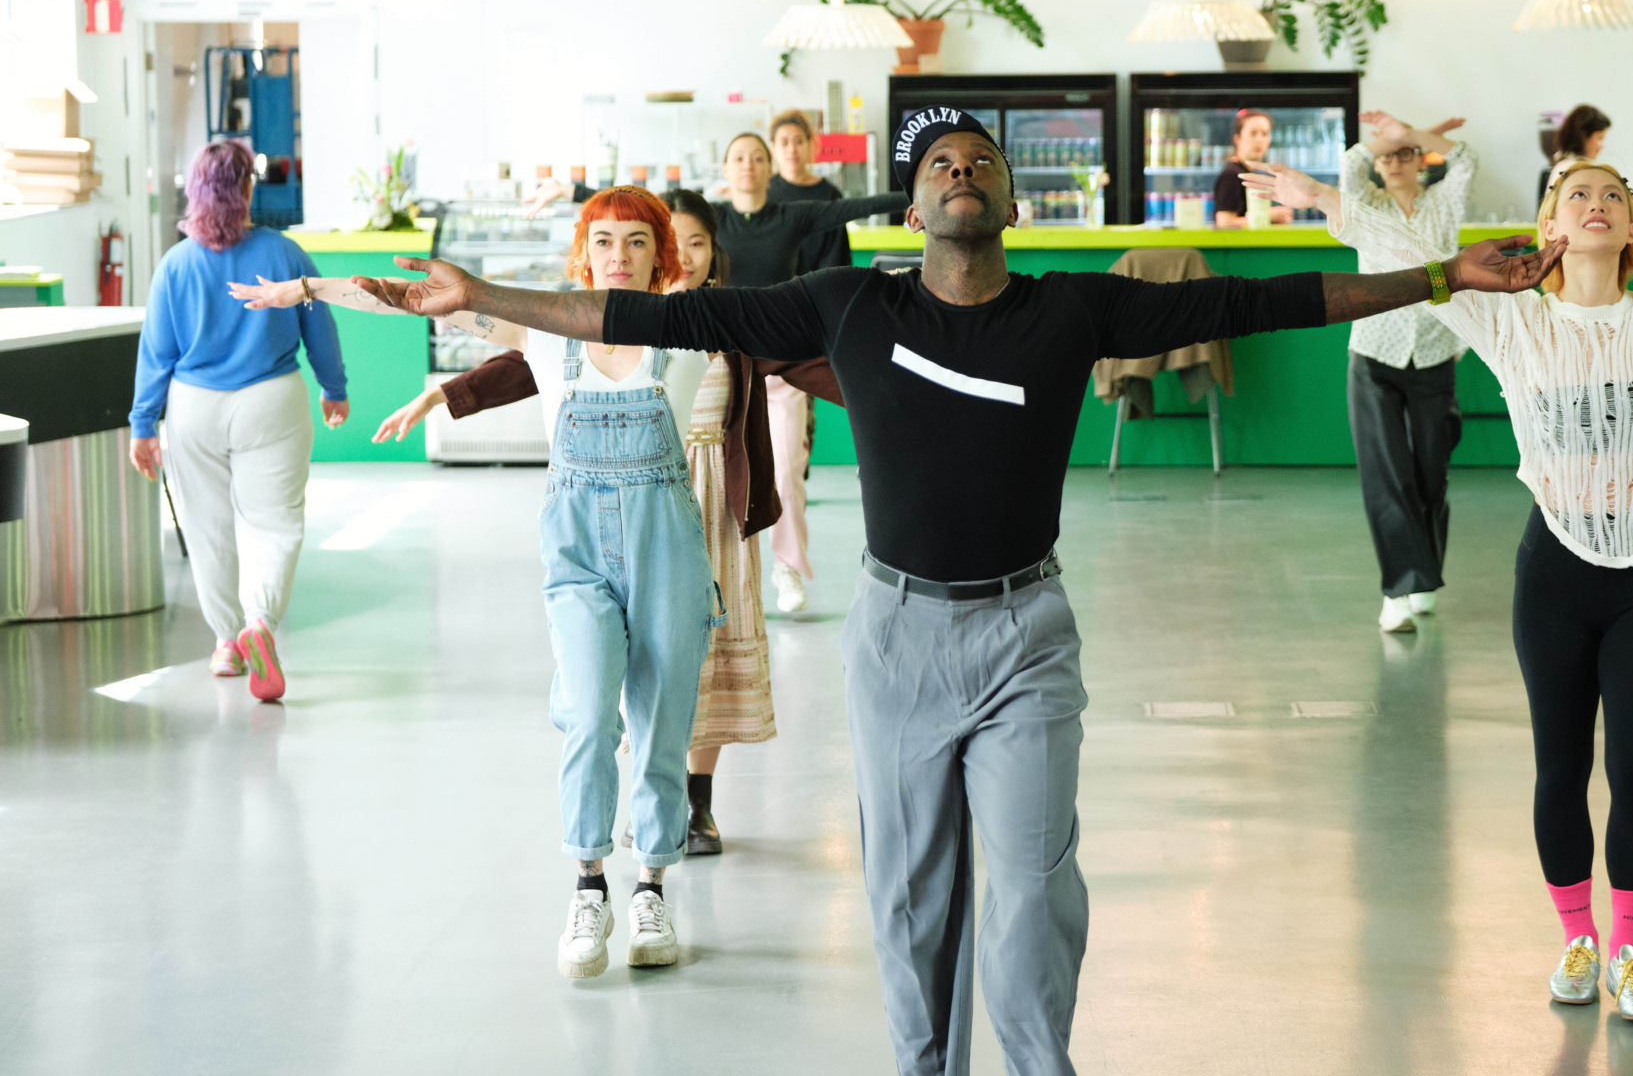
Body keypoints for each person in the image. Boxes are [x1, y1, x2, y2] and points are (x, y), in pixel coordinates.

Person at [349, 107, 1566, 1076]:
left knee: (1031, 891)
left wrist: (1442, 276)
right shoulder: (851, 302)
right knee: (911, 900)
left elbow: (1265, 299)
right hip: (896, 636)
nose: (962, 171)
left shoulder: (1071, 307)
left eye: (982, 160)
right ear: (914, 200)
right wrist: (482, 296)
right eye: (940, 162)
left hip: (1028, 631)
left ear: (1011, 201)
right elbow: (647, 314)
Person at [1248, 83, 1633, 1025]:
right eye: (1575, 193)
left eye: (1611, 196)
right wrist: (1322, 198)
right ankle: (1577, 939)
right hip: (1552, 576)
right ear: (1550, 225)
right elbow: (1408, 259)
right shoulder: (1512, 321)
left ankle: (1629, 952)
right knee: (1559, 768)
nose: (1595, 203)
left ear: (1629, 228)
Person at [233, 187, 717, 979]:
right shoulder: (542, 329)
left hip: (668, 551)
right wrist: (312, 289)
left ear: (660, 254)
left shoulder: (689, 329)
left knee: (663, 725)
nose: (619, 256)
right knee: (588, 712)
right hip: (578, 556)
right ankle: (589, 886)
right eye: (603, 241)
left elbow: (794, 323)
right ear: (583, 253)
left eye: (636, 241)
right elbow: (419, 299)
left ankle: (652, 889)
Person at [377, 190, 841, 857]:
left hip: (711, 501)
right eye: (609, 242)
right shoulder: (602, 323)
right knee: (620, 667)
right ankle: (635, 822)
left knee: (703, 660)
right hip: (633, 500)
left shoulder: (720, 320)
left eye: (691, 244)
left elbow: (806, 359)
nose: (679, 257)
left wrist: (895, 398)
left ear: (697, 254)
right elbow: (529, 359)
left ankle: (694, 802)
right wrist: (442, 394)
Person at [130, 140, 347, 702]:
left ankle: (227, 642)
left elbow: (156, 352)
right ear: (248, 189)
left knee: (208, 528)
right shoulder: (285, 254)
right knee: (274, 523)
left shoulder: (175, 264)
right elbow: (319, 324)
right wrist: (334, 388)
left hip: (194, 406)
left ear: (195, 192)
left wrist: (143, 424)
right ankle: (260, 624)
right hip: (271, 400)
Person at [712, 131, 905, 614]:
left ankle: (788, 566)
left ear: (769, 167)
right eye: (739, 157)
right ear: (725, 169)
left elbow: (852, 208)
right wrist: (572, 190)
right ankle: (721, 574)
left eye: (757, 157)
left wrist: (917, 192)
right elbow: (650, 207)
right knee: (716, 474)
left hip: (783, 365)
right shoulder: (711, 219)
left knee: (786, 471)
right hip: (722, 367)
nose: (748, 165)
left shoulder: (790, 217)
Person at [1339, 110, 1475, 633]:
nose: (1395, 162)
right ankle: (1398, 588)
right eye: (1387, 156)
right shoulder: (1366, 208)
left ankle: (1425, 574)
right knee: (1387, 473)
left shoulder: (1443, 202)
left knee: (1431, 471)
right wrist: (1385, 139)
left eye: (1405, 154)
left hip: (1436, 353)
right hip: (1374, 353)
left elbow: (1467, 159)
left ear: (1421, 159)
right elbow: (1349, 167)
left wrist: (1414, 133)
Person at [768, 107, 854, 273]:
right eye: (784, 143)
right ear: (773, 149)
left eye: (798, 141)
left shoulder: (829, 195)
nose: (792, 149)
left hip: (819, 286)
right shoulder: (765, 192)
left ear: (809, 144)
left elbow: (837, 258)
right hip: (774, 287)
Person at [1543, 105, 1633, 212]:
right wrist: (1626, 206)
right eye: (1599, 138)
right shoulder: (1573, 169)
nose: (1602, 146)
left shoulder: (1569, 166)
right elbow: (1587, 210)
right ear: (1583, 136)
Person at [1209, 108, 1293, 228]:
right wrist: (1267, 215)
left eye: (1264, 134)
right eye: (1253, 133)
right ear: (1237, 139)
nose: (1259, 140)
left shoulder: (1247, 172)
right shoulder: (1231, 175)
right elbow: (1224, 223)